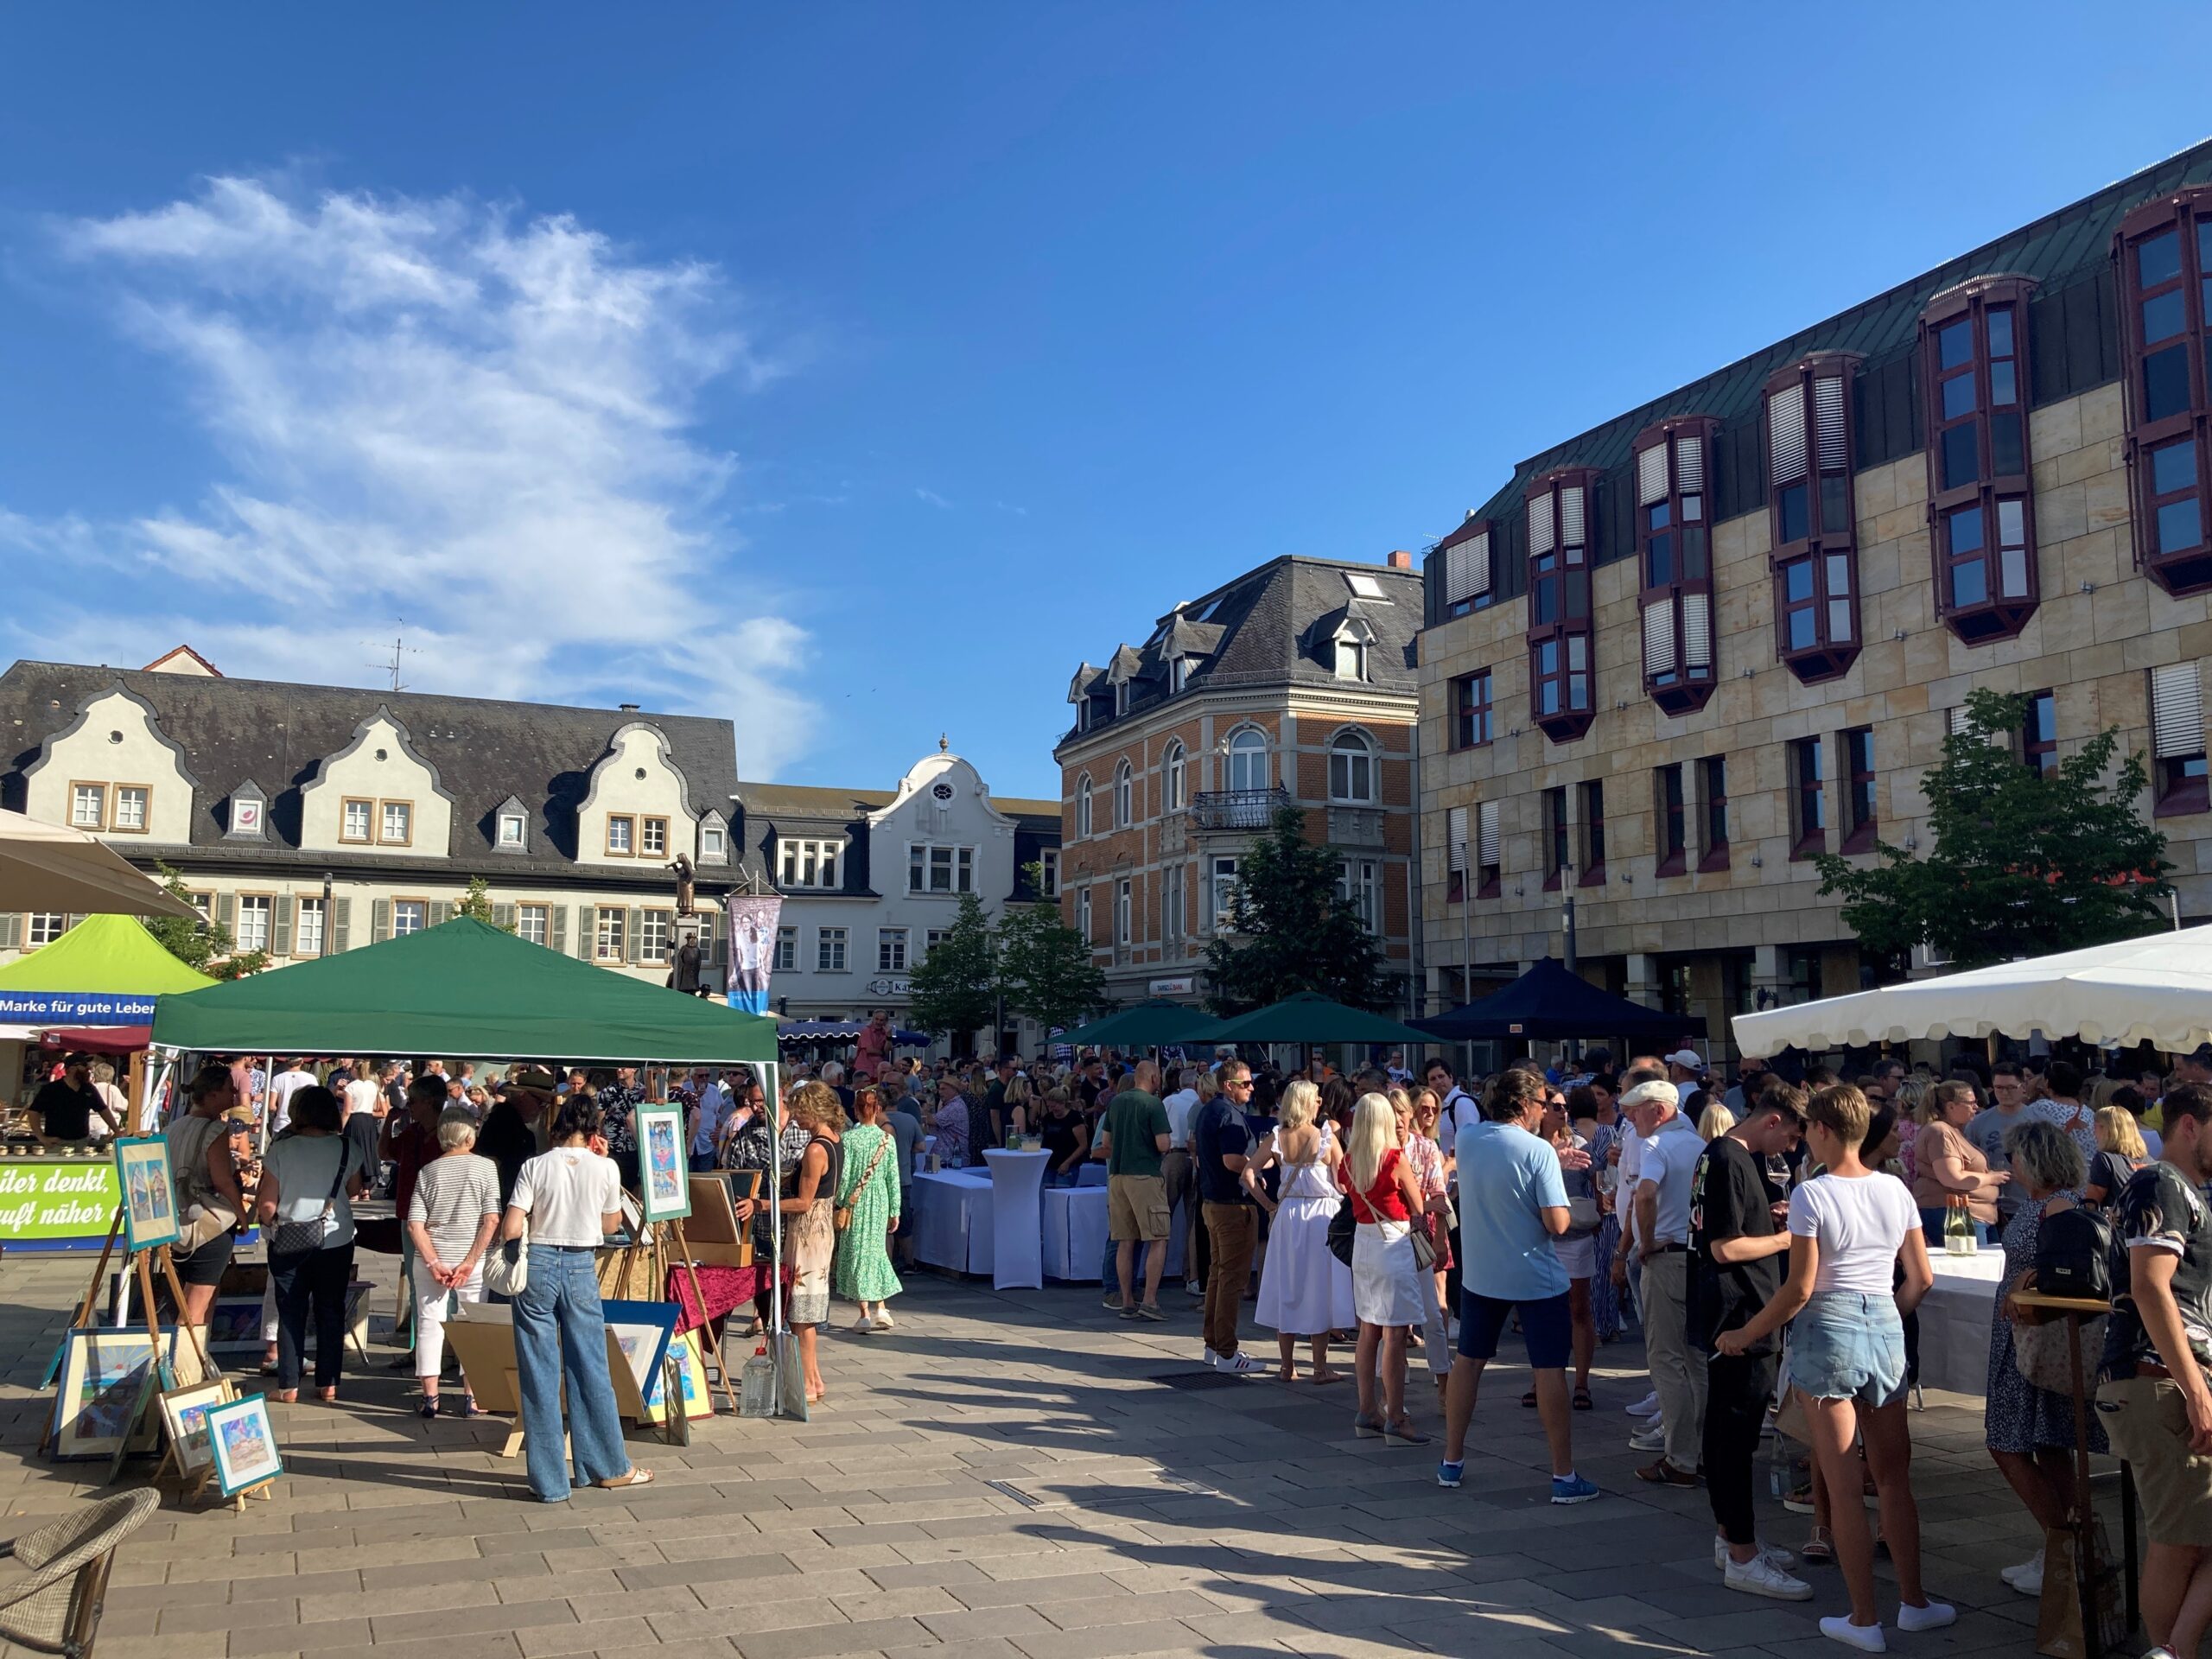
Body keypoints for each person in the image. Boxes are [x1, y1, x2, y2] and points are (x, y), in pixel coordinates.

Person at [1718, 1084, 1949, 1651]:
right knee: (1893, 1478)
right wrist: (1881, 1317)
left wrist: (1745, 1334)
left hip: (1829, 1327)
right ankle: (1914, 1603)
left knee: (1843, 1486)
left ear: (1821, 1130)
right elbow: (1920, 1279)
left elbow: (1799, 1289)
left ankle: (1865, 1620)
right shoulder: (1894, 1189)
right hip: (1884, 1327)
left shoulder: (1811, 1194)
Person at [1440, 1068, 1599, 1504]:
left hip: (1482, 1273)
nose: (1546, 1111)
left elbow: (1502, 1168)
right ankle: (1563, 1475)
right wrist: (1553, 1165)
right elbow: (1557, 1222)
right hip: (1534, 1274)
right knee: (1548, 1369)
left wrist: (1549, 1157)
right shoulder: (1536, 1151)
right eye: (1543, 1104)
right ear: (1526, 1105)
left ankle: (1451, 1460)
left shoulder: (1469, 1139)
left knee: (1468, 1362)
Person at [2096, 1080, 2212, 1659]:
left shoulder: (2189, 1189)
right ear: (2190, 1124)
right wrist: (2195, 1388)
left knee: (2191, 1533)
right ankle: (2171, 1650)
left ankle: (2174, 1649)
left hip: (2173, 1378)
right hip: (2158, 1380)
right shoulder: (2159, 1181)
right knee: (2181, 1537)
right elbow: (2149, 1286)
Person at [1691, 1086, 1811, 1600]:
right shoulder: (1729, 1159)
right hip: (1741, 1311)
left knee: (1728, 1432)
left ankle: (1733, 1536)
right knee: (1734, 1437)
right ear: (1772, 1120)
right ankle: (1741, 1552)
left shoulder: (1725, 1156)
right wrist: (1790, 1238)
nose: (1790, 1146)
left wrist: (1771, 1223)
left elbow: (1733, 1231)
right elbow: (1726, 1247)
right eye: (1790, 1134)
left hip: (1738, 1307)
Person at [502, 1093, 652, 1500]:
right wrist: (603, 1165)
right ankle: (605, 1465)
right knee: (591, 1367)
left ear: (559, 1124)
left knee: (538, 1371)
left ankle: (549, 1482)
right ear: (593, 1130)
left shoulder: (534, 1165)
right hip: (581, 1265)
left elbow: (512, 1226)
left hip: (540, 1264)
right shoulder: (606, 1168)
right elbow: (609, 1225)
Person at [1984, 1121, 2102, 1599]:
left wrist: (2028, 1280)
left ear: (2032, 1159)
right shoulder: (2055, 1204)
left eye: (2015, 1156)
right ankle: (2069, 1548)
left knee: (2008, 1442)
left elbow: (2066, 1277)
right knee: (2049, 1445)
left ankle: (2063, 1546)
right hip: (2029, 1337)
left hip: (2036, 1340)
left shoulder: (2057, 1207)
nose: (2009, 1164)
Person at [257, 1085, 370, 1405]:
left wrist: (272, 1223)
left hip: (289, 1240)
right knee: (330, 1310)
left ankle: (289, 1385)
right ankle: (329, 1383)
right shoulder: (347, 1147)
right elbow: (355, 1187)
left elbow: (267, 1204)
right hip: (335, 1238)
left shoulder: (281, 1149)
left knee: (291, 1311)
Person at [1625, 1078, 1707, 1488]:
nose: (1629, 1116)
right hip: (1698, 1259)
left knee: (1666, 1360)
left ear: (1659, 1110)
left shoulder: (1656, 1146)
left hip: (1666, 1257)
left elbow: (1644, 1194)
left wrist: (1648, 1238)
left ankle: (1681, 1458)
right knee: (1696, 1359)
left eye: (1636, 1108)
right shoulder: (1699, 1144)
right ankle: (1702, 1450)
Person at [1338, 1092, 1429, 1446]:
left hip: (1364, 1242)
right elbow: (1417, 1203)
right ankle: (1396, 1416)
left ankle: (1367, 1410)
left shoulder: (1349, 1160)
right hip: (1392, 1240)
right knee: (1395, 1333)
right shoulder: (1394, 1158)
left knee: (1368, 1330)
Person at [1249, 1079, 1352, 1383]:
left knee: (1289, 1286)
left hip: (1288, 1214)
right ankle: (1320, 1367)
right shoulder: (1325, 1136)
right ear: (1308, 1103)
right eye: (1317, 1099)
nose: (1320, 1103)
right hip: (1321, 1216)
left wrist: (1269, 1205)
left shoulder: (1277, 1137)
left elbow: (1248, 1173)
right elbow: (1344, 1181)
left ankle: (1286, 1365)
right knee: (1319, 1288)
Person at [405, 1106, 501, 1418]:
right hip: (470, 1260)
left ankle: (430, 1397)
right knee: (473, 1324)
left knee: (429, 1322)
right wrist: (471, 1261)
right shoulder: (486, 1168)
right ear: (470, 1136)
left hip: (434, 1259)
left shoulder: (428, 1171)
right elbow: (491, 1220)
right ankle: (472, 1396)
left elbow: (414, 1225)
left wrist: (434, 1263)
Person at [164, 1064, 249, 1326]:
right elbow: (222, 1180)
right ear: (212, 1094)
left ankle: (195, 1357)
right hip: (208, 1222)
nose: (234, 1097)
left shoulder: (173, 1127)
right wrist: (242, 1214)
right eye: (229, 1091)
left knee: (189, 1297)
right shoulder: (215, 1130)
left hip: (176, 1218)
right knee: (196, 1305)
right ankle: (184, 1362)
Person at [1192, 1060, 1262, 1374]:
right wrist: (1260, 1163)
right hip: (1231, 1205)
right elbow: (1233, 1161)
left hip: (1213, 1202)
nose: (1251, 1088)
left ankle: (1214, 1345)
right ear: (1229, 1085)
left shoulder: (1210, 1109)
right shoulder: (1228, 1114)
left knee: (1218, 1277)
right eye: (1245, 1083)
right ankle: (1228, 1353)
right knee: (1231, 1279)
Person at [779, 1081, 845, 1402]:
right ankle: (814, 1379)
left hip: (808, 1231)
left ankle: (807, 1383)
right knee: (806, 1312)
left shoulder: (816, 1148)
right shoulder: (835, 1141)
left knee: (801, 1314)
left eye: (799, 1113)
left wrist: (763, 1204)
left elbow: (804, 1202)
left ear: (814, 1111)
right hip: (821, 1230)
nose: (795, 1119)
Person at [1534, 1091, 1595, 1408]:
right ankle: (1543, 1378)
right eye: (1556, 1106)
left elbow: (1596, 1185)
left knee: (1578, 1308)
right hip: (1540, 1238)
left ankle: (1582, 1382)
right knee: (1541, 1311)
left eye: (1565, 1107)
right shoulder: (1531, 1146)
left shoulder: (1580, 1144)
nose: (1563, 1112)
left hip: (1575, 1236)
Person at [1100, 1058, 1172, 1320]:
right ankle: (1150, 1301)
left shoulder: (1116, 1102)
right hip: (1145, 1175)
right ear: (1153, 1077)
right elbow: (1163, 1144)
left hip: (1117, 1176)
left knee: (1125, 1241)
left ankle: (1127, 1300)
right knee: (1158, 1238)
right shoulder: (1153, 1104)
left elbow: (1106, 1142)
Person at [833, 1084, 902, 1332]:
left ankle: (864, 1313)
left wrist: (840, 1201)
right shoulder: (887, 1139)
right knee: (876, 1251)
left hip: (857, 1201)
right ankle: (881, 1306)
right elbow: (893, 1177)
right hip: (880, 1200)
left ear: (856, 1110)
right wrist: (895, 1209)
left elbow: (845, 1176)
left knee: (857, 1253)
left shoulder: (849, 1139)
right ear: (878, 1109)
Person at [1910, 1080, 2007, 1243]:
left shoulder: (1954, 1132)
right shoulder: (1939, 1131)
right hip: (1958, 1216)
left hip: (1976, 1215)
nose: (1976, 1107)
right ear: (1951, 1106)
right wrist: (1991, 1178)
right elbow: (1953, 1177)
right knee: (1974, 1268)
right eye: (1971, 1103)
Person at [1160, 1066, 1201, 1294]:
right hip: (1194, 1158)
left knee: (1163, 1214)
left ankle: (1158, 1266)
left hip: (1174, 1155)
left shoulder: (1171, 1101)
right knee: (1193, 1218)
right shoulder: (1200, 1104)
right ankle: (1190, 1273)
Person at [31, 1054, 118, 1141]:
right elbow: (33, 1112)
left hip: (82, 1142)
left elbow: (103, 1109)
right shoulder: (51, 1089)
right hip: (56, 1142)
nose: (88, 1071)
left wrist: (117, 1131)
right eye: (84, 1068)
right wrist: (41, 1136)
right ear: (72, 1068)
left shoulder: (88, 1088)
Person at [2083, 1104, 2151, 1210]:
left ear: (2108, 1130)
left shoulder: (2104, 1159)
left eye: (2095, 1126)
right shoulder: (2150, 1161)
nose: (2093, 1131)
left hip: (2114, 1223)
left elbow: (2091, 1203)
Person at [1037, 1088, 1090, 1187]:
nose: (1052, 1110)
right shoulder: (1048, 1118)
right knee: (1047, 1195)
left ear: (1063, 1103)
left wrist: (1067, 1163)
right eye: (1050, 1106)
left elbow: (1083, 1145)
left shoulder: (1075, 1118)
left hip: (1068, 1165)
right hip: (1049, 1165)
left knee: (1062, 1194)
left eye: (1054, 1106)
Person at [929, 1075, 971, 1170]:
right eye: (939, 1089)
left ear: (954, 1090)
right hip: (943, 1159)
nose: (940, 1092)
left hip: (951, 1161)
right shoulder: (949, 1105)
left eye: (944, 1089)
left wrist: (919, 1107)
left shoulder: (955, 1107)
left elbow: (931, 1121)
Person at [268, 1058, 318, 1136]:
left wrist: (280, 1109)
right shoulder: (311, 1078)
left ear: (286, 1062)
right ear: (302, 1062)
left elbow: (271, 1106)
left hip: (281, 1125)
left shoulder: (277, 1079)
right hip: (303, 1125)